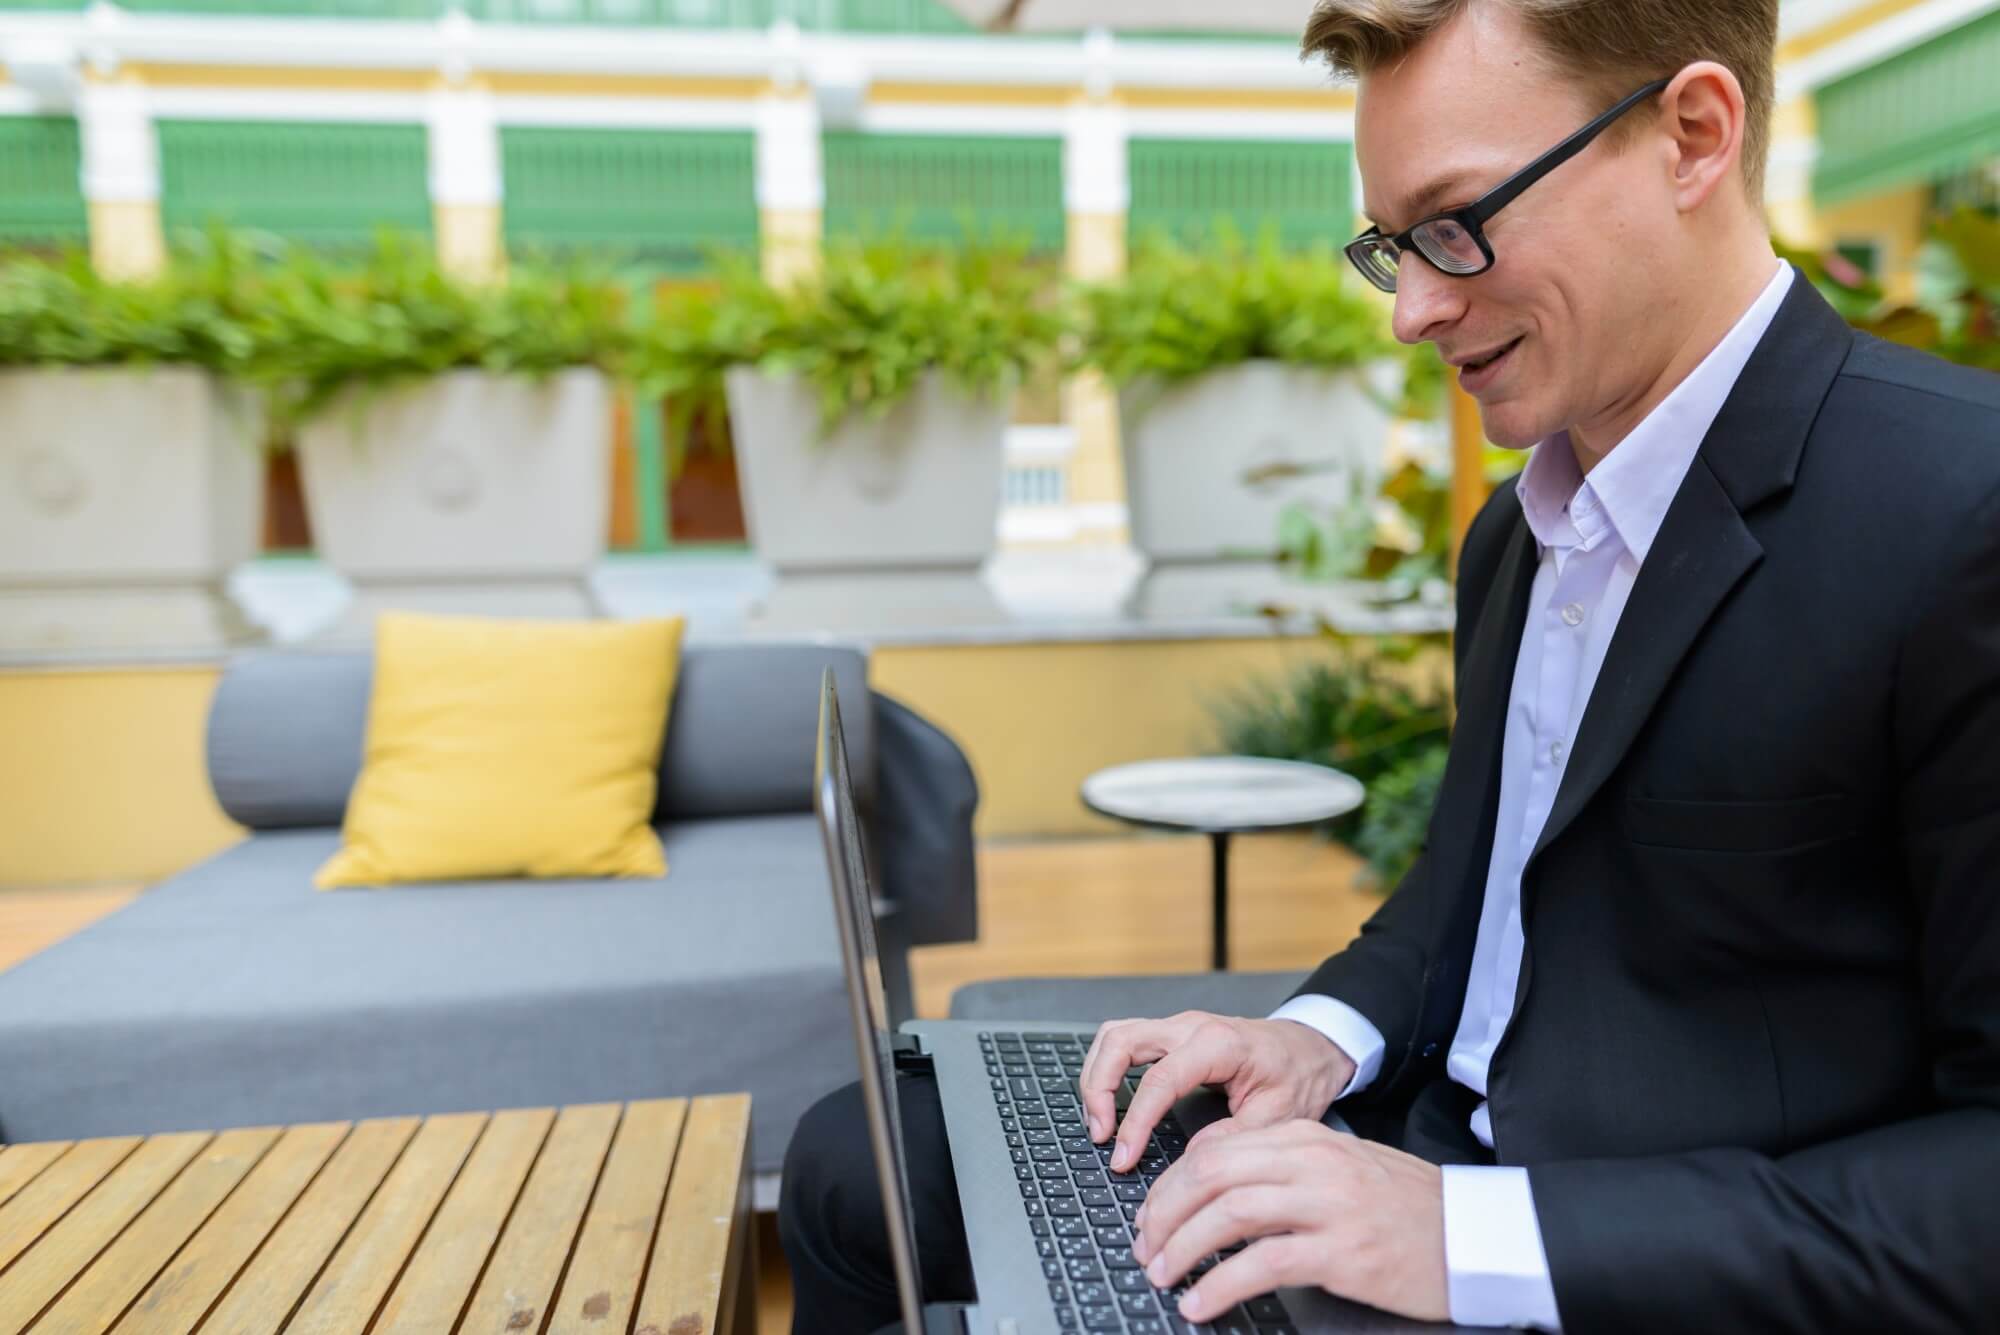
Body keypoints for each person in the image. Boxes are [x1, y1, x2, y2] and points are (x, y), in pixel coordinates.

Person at [779, 0, 2000, 1329]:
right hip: (1415, 1153)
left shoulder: (1960, 511)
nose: (1414, 309)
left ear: (1693, 135)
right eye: (1390, 245)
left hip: (1638, 1269)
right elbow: (1472, 902)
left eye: (1456, 223)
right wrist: (1311, 1042)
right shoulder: (1516, 535)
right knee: (863, 1159)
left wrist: (1464, 1232)